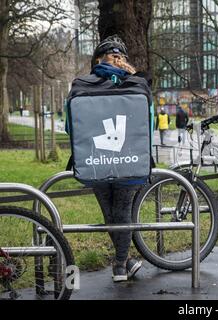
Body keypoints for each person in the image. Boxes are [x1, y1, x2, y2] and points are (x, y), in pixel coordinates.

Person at [67, 35, 150, 282]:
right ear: (123, 59)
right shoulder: (138, 84)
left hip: (94, 161)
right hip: (132, 158)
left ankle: (122, 263)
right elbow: (149, 123)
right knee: (123, 211)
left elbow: (71, 127)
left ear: (96, 60)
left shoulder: (81, 85)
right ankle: (122, 265)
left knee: (109, 213)